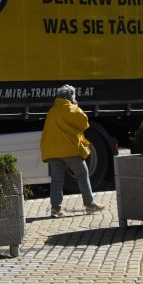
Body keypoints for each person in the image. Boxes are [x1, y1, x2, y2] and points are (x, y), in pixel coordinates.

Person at [40, 84, 105, 217]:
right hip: (69, 149)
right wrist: (76, 105)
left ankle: (55, 209)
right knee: (82, 173)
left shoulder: (53, 110)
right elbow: (84, 123)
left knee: (57, 179)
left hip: (53, 150)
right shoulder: (71, 108)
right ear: (71, 96)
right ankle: (90, 204)